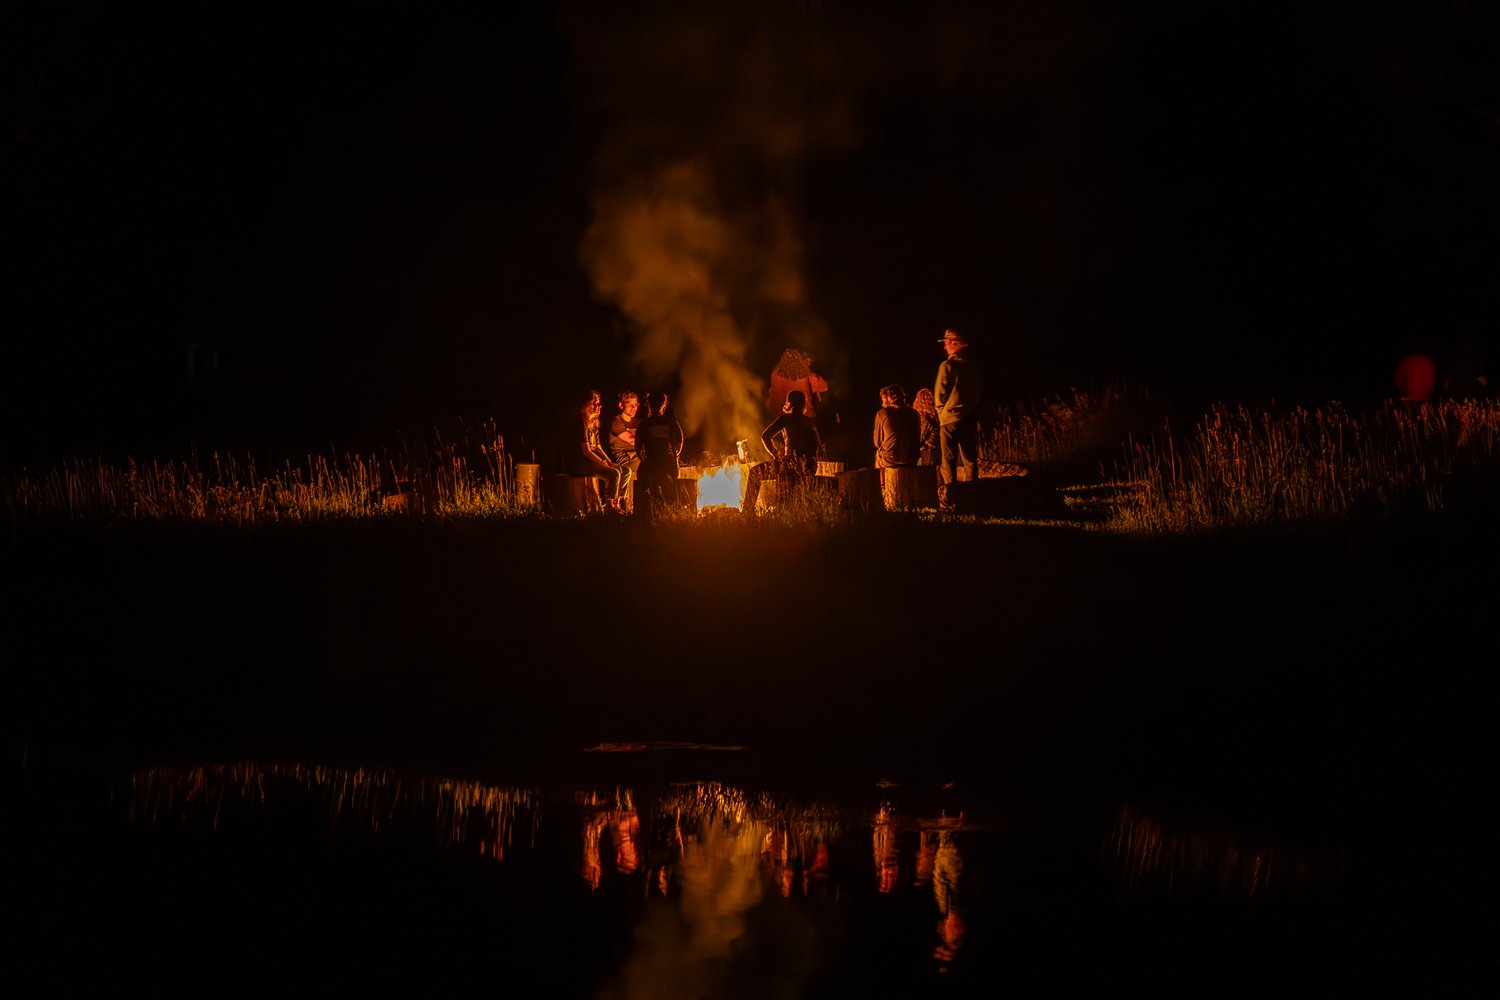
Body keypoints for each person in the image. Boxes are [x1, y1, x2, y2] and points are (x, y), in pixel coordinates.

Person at [744, 389, 822, 514]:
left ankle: (747, 512)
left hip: (789, 466)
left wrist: (776, 454)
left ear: (788, 403)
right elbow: (818, 448)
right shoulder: (810, 422)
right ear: (803, 403)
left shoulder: (786, 419)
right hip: (807, 467)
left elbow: (765, 436)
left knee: (755, 473)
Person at [933, 328, 984, 512]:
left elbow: (939, 395)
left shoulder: (947, 366)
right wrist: (969, 411)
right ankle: (973, 498)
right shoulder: (973, 367)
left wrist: (942, 413)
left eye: (947, 342)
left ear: (955, 343)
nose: (945, 346)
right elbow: (976, 394)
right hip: (968, 417)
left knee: (949, 461)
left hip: (949, 420)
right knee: (969, 459)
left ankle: (951, 502)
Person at [571, 389, 625, 511]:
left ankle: (619, 501)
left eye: (599, 402)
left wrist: (607, 460)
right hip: (580, 463)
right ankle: (609, 506)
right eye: (594, 403)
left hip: (591, 461)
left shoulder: (594, 422)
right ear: (585, 405)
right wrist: (601, 463)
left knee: (625, 471)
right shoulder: (581, 422)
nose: (598, 406)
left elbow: (598, 446)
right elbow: (586, 451)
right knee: (614, 474)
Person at [634, 389, 684, 519]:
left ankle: (654, 514)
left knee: (653, 490)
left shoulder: (645, 424)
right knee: (670, 490)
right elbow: (679, 440)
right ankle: (672, 514)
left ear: (648, 404)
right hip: (667, 463)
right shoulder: (670, 422)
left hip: (652, 464)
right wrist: (676, 454)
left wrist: (643, 459)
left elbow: (638, 446)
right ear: (664, 404)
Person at [872, 383, 920, 472]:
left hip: (890, 460)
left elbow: (877, 442)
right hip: (912, 459)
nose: (882, 404)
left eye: (883, 400)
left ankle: (882, 484)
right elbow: (918, 438)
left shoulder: (882, 414)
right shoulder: (914, 413)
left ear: (889, 398)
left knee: (878, 454)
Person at [608, 391, 642, 507]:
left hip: (637, 457)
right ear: (621, 405)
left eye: (636, 404)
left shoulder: (638, 422)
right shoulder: (616, 423)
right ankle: (623, 503)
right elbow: (633, 440)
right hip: (624, 460)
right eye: (629, 404)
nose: (633, 408)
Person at [912, 388, 940, 467]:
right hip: (935, 453)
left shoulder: (922, 417)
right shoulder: (935, 417)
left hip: (925, 454)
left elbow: (920, 437)